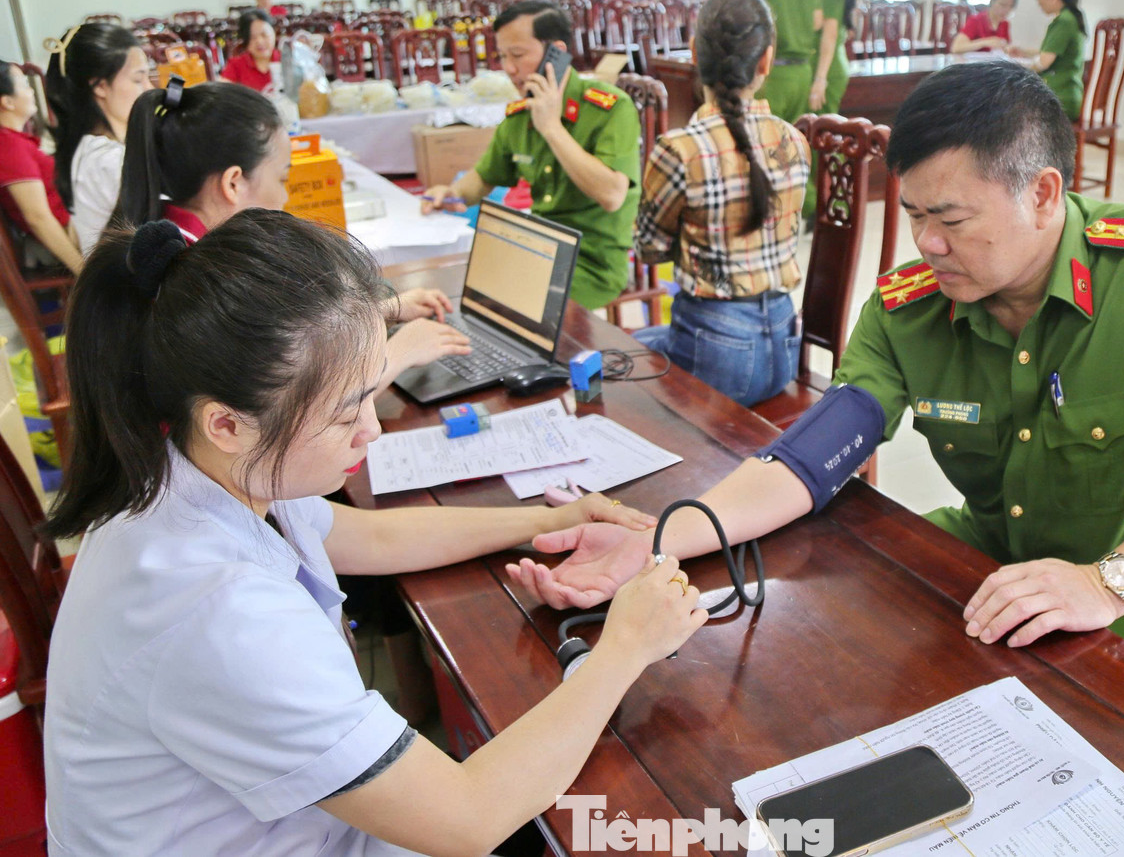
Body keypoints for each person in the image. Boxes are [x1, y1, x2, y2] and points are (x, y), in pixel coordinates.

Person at [508, 61, 1124, 687]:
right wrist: (656, 545)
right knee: (838, 669)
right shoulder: (909, 308)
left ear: (1043, 194)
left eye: (952, 219)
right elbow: (805, 461)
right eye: (915, 216)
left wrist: (1109, 585)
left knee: (1104, 776)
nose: (927, 245)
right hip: (989, 555)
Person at [41, 208, 706, 855]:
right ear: (227, 422)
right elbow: (469, 820)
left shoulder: (199, 459)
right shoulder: (213, 610)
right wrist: (625, 648)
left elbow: (369, 537)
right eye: (345, 412)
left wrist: (548, 519)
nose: (373, 428)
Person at [111, 79, 469, 388]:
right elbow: (300, 404)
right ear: (234, 182)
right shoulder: (208, 277)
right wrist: (400, 351)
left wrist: (383, 310)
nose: (285, 197)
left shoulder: (166, 239)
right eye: (282, 179)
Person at [633, 0, 809, 406]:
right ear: (766, 59)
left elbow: (649, 249)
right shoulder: (795, 140)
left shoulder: (679, 149)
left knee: (621, 356)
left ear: (694, 52)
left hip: (715, 353)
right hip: (783, 346)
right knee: (645, 341)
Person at [420, 0, 641, 310]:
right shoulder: (520, 115)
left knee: (504, 304)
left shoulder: (609, 109)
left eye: (518, 55)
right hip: (536, 250)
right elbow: (484, 177)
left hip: (592, 264)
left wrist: (552, 128)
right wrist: (453, 193)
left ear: (557, 52)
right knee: (455, 290)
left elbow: (612, 195)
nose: (509, 69)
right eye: (502, 57)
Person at [44, 22, 150, 254]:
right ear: (100, 86)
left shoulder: (90, 145)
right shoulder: (110, 161)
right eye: (138, 79)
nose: (149, 88)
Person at [0, 60, 83, 272]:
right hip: (73, 234)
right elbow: (38, 218)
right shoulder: (9, 146)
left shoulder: (13, 141)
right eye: (24, 84)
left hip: (78, 221)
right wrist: (82, 269)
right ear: (7, 102)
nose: (31, 91)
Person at [1018, 0, 1086, 120]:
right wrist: (1023, 52)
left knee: (1011, 106)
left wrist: (1018, 67)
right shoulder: (1071, 17)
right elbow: (1050, 53)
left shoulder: (1064, 22)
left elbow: (1043, 62)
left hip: (1059, 97)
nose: (1039, 4)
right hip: (1069, 94)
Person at [220, 9, 281, 93]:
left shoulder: (287, 59)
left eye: (264, 34)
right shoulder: (236, 65)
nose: (259, 41)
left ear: (274, 33)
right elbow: (222, 94)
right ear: (245, 40)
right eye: (253, 37)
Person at [950, 0, 1018, 54]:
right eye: (1003, 5)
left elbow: (1005, 48)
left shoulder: (1004, 24)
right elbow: (956, 48)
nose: (1006, 10)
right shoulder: (976, 20)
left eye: (1010, 6)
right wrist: (985, 42)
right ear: (992, 1)